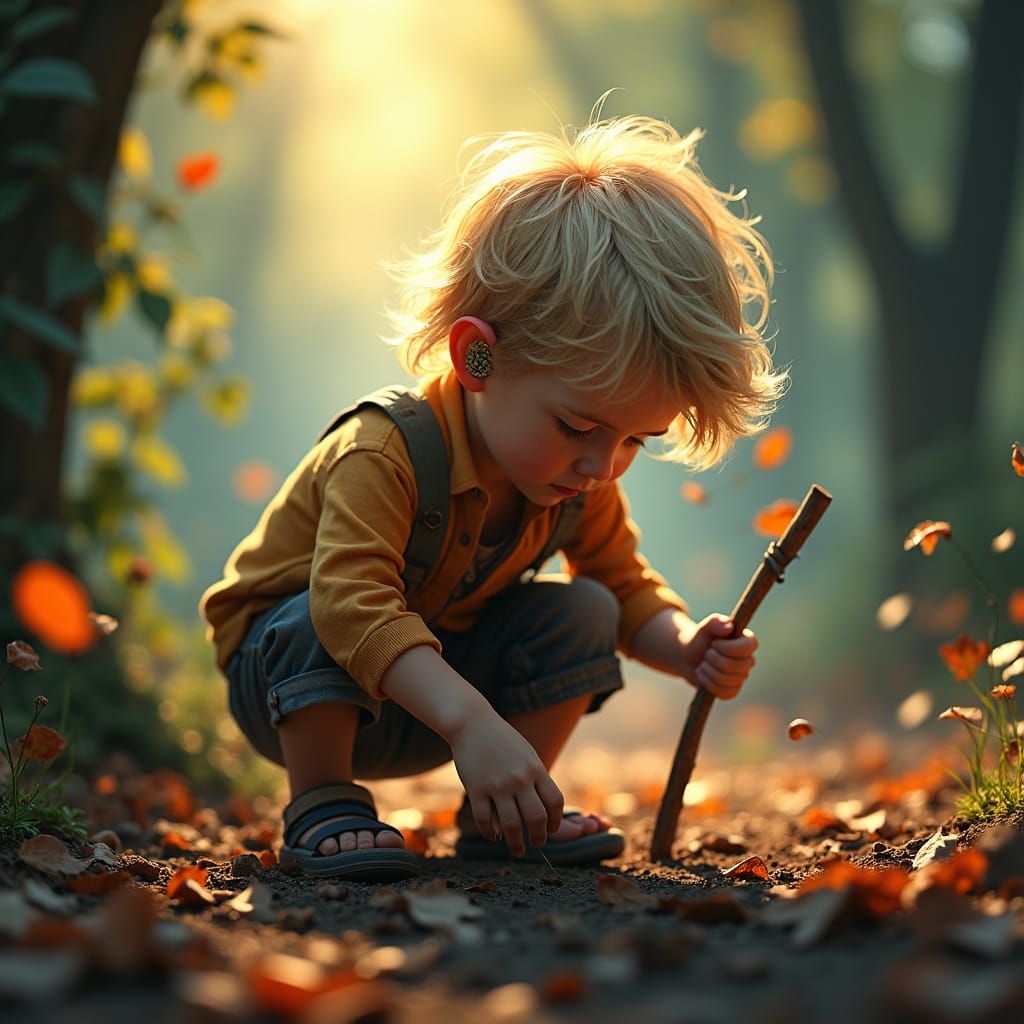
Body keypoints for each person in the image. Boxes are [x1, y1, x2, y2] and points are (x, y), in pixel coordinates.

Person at [200, 111, 788, 881]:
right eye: (578, 426)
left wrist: (684, 647)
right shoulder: (387, 452)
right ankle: (323, 804)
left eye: (633, 442)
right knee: (323, 604)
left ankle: (505, 809)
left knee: (587, 612)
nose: (602, 464)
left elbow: (625, 586)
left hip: (431, 701)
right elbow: (351, 608)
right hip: (294, 685)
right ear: (477, 355)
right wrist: (472, 721)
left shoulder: (577, 483)